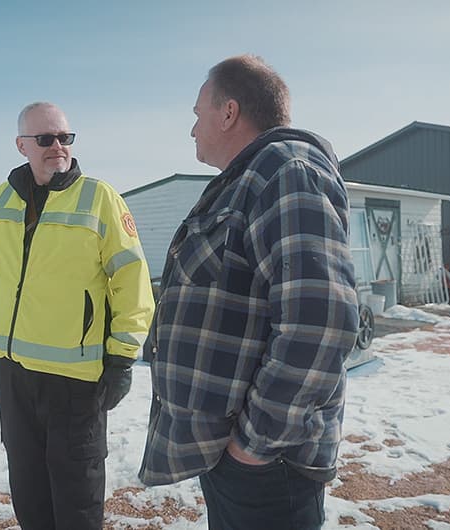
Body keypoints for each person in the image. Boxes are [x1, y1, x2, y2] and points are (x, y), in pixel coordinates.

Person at [139, 55, 359, 529]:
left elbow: (320, 323)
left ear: (229, 112)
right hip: (236, 455)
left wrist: (254, 446)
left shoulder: (285, 170)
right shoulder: (249, 179)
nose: (192, 130)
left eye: (198, 115)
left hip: (264, 464)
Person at [0, 102, 155, 530]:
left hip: (76, 379)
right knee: (28, 491)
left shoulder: (99, 198)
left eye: (65, 137)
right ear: (21, 145)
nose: (57, 147)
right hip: (14, 373)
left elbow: (131, 280)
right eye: (45, 139)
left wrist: (122, 357)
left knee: (76, 501)